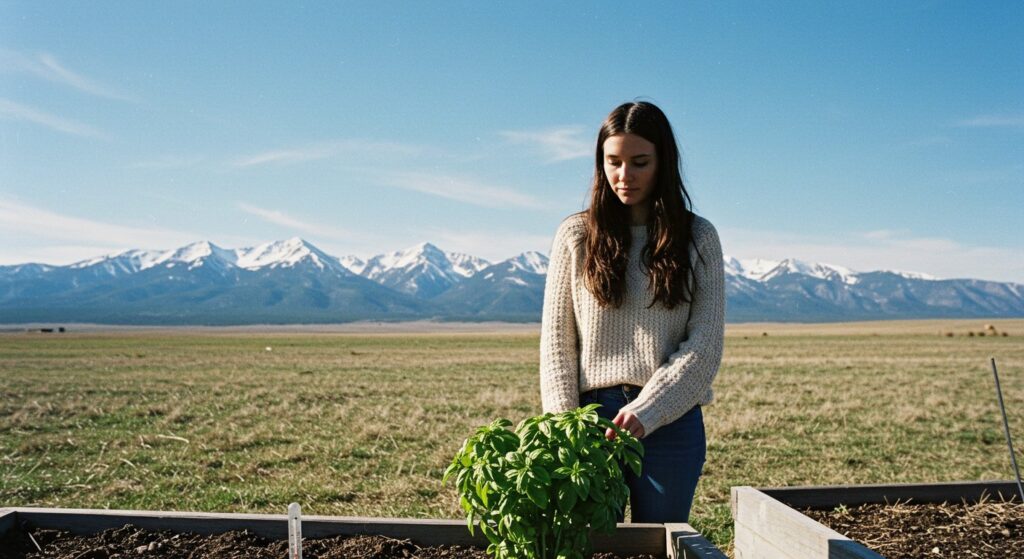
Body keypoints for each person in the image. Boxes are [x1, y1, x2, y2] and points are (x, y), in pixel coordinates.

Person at [539, 101, 725, 523]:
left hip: (670, 420)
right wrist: (563, 429)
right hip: (588, 419)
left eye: (640, 162)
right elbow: (557, 345)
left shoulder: (699, 237)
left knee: (659, 544)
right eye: (614, 162)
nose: (625, 176)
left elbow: (705, 346)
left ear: (663, 161)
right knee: (585, 546)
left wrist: (649, 409)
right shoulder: (575, 235)